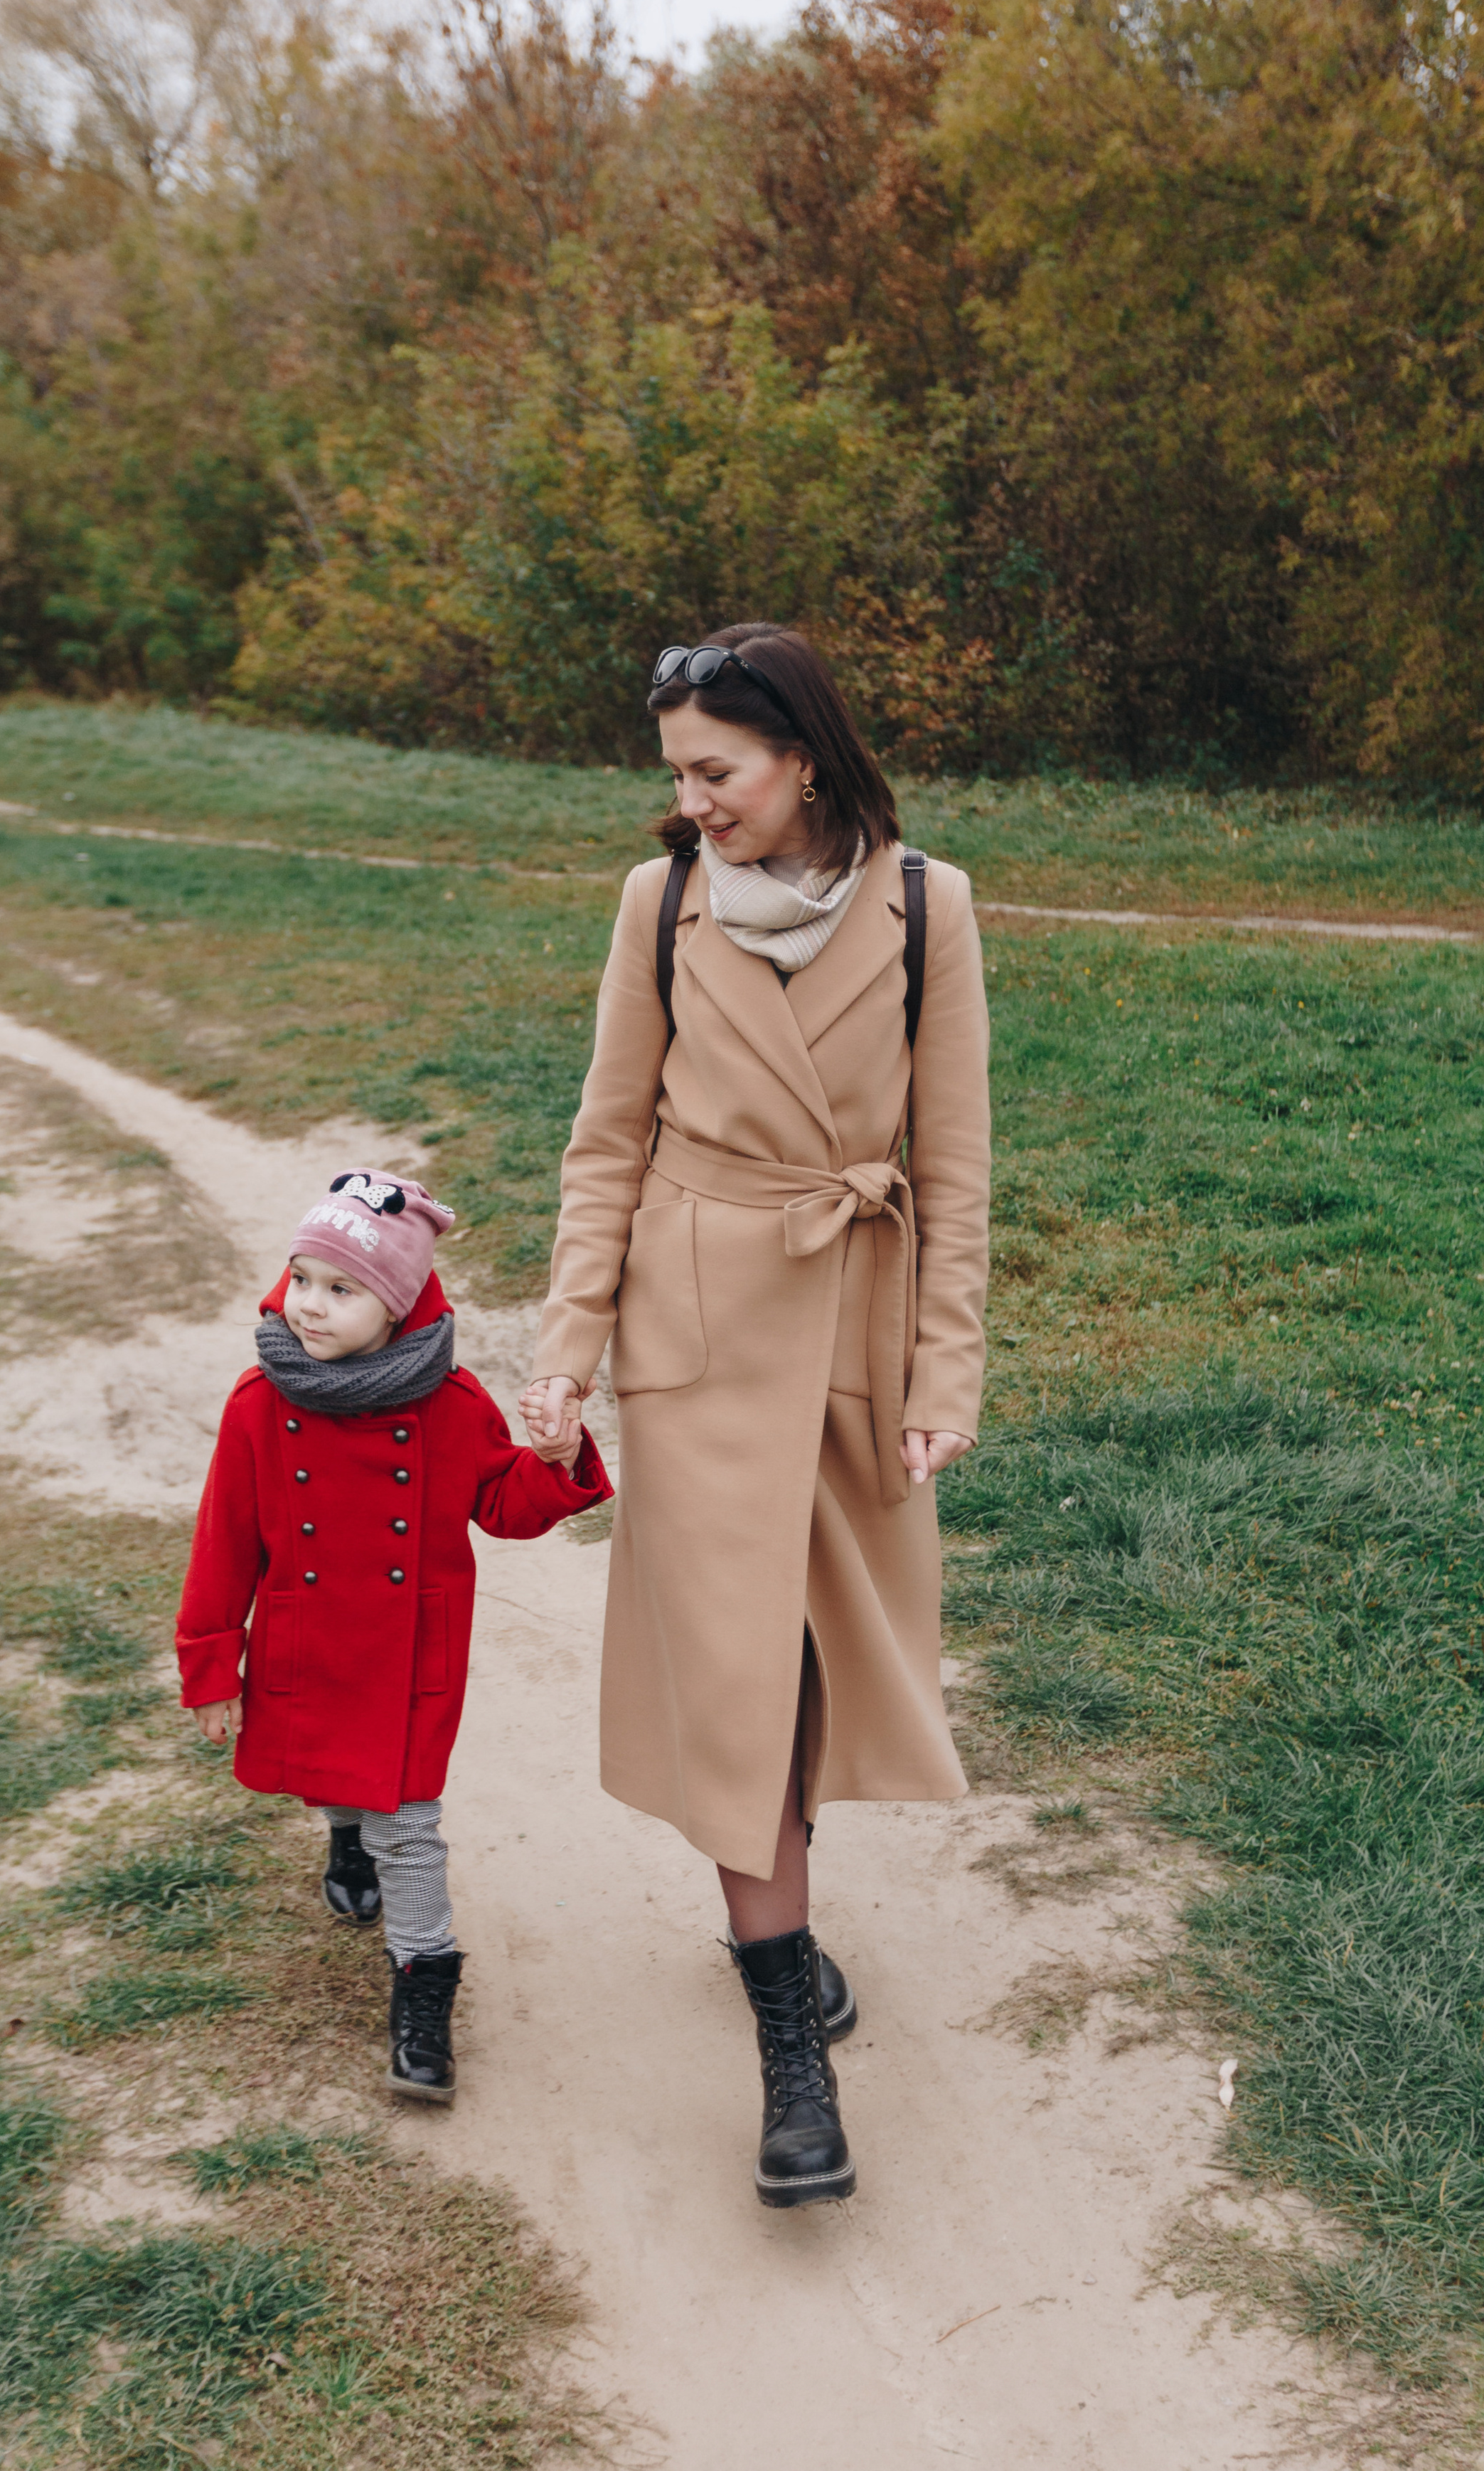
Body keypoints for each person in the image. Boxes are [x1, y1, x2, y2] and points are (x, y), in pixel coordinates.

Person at [518, 624, 989, 2206]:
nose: (691, 802)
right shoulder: (661, 906)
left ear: (800, 754)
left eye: (713, 771)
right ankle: (791, 2053)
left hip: (854, 1318)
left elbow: (955, 1167)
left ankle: (779, 1924)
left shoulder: (930, 907)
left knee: (814, 1679)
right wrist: (566, 1344)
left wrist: (944, 1374)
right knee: (733, 1688)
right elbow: (605, 1141)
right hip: (700, 1332)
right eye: (676, 776)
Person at [177, 1168, 610, 2103]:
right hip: (304, 1638)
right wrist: (213, 1665)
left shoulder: (447, 1406)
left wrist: (558, 1459)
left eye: (342, 1289)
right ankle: (345, 1842)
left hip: (410, 1656)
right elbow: (224, 1545)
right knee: (335, 1773)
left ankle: (424, 1985)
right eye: (301, 1279)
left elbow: (504, 1503)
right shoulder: (259, 1403)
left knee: (408, 1828)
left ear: (400, 1304)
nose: (311, 1306)